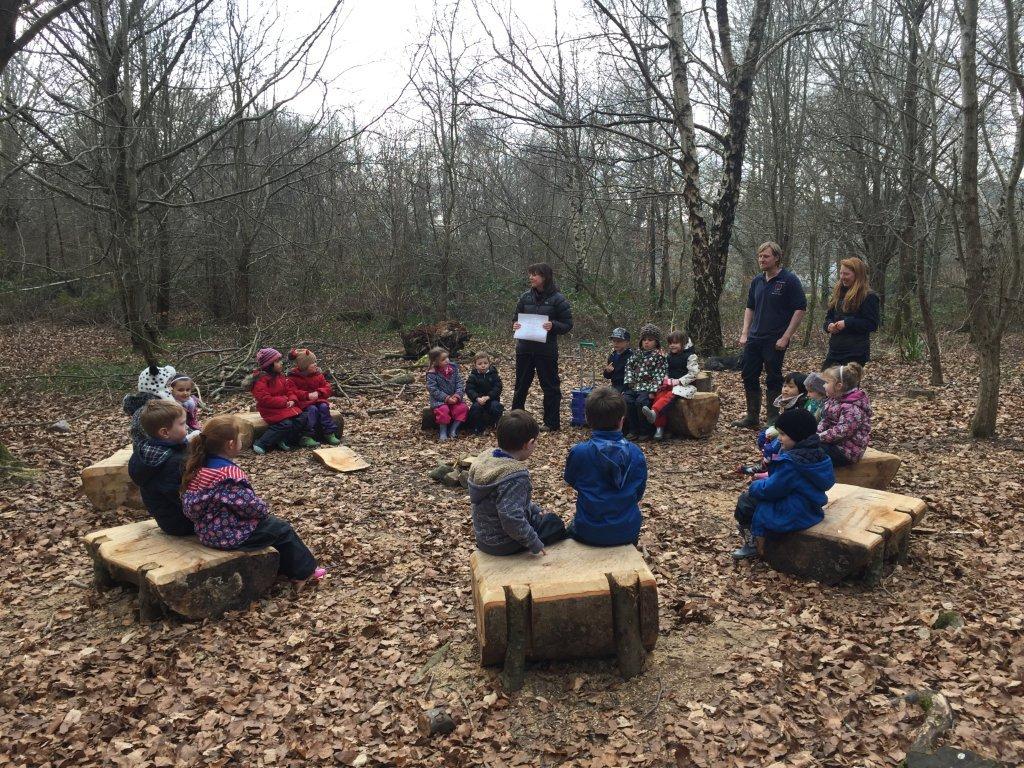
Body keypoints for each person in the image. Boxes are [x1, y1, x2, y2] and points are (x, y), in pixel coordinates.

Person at [181, 415, 325, 583]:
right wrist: (263, 509)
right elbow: (249, 506)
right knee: (280, 529)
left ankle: (284, 566)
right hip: (228, 535)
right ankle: (306, 571)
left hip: (206, 531)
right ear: (231, 444)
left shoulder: (198, 467)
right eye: (240, 438)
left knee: (270, 529)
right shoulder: (228, 475)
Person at [731, 409, 834, 560]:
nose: (779, 439)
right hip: (811, 507)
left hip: (792, 511)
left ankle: (752, 543)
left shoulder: (791, 463)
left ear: (797, 435)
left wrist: (754, 487)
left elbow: (772, 489)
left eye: (783, 434)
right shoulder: (819, 455)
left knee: (745, 502)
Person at [468, 410, 568, 556]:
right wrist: (533, 542)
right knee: (554, 523)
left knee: (540, 516)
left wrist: (534, 509)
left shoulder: (488, 461)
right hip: (503, 543)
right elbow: (511, 518)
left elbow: (506, 501)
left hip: (484, 538)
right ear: (530, 443)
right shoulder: (514, 476)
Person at [733, 242, 807, 429]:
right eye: (759, 256)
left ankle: (773, 418)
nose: (761, 260)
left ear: (776, 258)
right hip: (754, 339)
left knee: (773, 378)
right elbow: (750, 307)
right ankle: (752, 417)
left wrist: (786, 336)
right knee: (748, 375)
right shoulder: (757, 281)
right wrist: (745, 333)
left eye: (766, 256)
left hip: (775, 340)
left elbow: (800, 309)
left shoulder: (789, 280)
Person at [564, 387, 647, 547]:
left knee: (567, 529)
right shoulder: (636, 453)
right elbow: (638, 492)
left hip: (588, 530)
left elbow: (572, 481)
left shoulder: (579, 452)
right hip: (626, 530)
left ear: (588, 419)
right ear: (622, 421)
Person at [511, 262, 574, 431]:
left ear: (545, 277)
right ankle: (515, 420)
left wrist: (553, 325)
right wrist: (515, 325)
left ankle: (552, 423)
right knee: (521, 385)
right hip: (524, 349)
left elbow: (568, 324)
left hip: (546, 351)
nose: (531, 277)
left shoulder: (558, 299)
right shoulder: (525, 297)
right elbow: (515, 319)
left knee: (550, 387)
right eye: (530, 274)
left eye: (535, 274)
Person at [127, 399, 195, 536]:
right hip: (181, 523)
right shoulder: (172, 464)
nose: (187, 426)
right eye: (182, 423)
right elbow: (182, 497)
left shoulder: (145, 451)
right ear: (164, 433)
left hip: (168, 520)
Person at [737, 372, 810, 477]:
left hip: (793, 435)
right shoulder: (787, 401)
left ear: (802, 390)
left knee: (775, 444)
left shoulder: (801, 403)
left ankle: (772, 466)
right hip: (784, 431)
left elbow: (795, 424)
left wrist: (777, 430)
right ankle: (767, 462)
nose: (785, 389)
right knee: (763, 436)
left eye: (791, 387)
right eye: (784, 386)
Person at [641, 330, 700, 440]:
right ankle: (659, 427)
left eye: (676, 343)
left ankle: (654, 412)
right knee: (659, 396)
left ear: (683, 343)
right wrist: (666, 378)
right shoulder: (669, 357)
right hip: (669, 384)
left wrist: (678, 381)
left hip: (684, 387)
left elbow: (694, 373)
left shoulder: (690, 356)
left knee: (669, 397)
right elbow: (665, 370)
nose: (672, 345)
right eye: (670, 343)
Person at [248, 347, 309, 454]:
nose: (281, 363)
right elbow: (264, 399)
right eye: (277, 361)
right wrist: (284, 401)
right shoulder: (261, 380)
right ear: (269, 364)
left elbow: (289, 390)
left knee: (302, 417)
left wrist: (292, 399)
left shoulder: (280, 376)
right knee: (285, 424)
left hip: (285, 407)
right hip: (270, 410)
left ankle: (285, 440)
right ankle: (261, 443)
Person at [823, 257, 880, 367]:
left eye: (846, 274)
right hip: (835, 350)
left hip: (856, 353)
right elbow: (828, 318)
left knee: (847, 385)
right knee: (821, 383)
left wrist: (846, 323)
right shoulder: (838, 294)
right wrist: (828, 326)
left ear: (857, 275)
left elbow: (872, 324)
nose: (842, 277)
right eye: (841, 273)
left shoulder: (869, 296)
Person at [817, 362, 872, 467]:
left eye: (826, 382)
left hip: (847, 451)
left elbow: (842, 431)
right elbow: (826, 420)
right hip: (832, 442)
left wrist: (818, 437)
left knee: (808, 451)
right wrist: (815, 433)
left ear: (838, 386)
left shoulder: (852, 407)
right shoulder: (834, 399)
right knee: (797, 442)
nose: (823, 386)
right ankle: (776, 459)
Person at [622, 324, 668, 440]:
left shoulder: (659, 356)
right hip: (634, 386)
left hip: (647, 388)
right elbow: (628, 368)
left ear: (656, 342)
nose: (646, 342)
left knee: (641, 402)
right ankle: (633, 430)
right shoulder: (636, 354)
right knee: (627, 400)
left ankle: (645, 431)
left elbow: (659, 374)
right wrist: (629, 382)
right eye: (644, 340)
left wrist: (652, 390)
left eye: (650, 340)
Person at [287, 348, 341, 446]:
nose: (315, 364)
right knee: (312, 410)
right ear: (304, 366)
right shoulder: (293, 378)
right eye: (312, 363)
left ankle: (329, 433)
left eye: (315, 362)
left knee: (324, 407)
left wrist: (319, 392)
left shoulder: (318, 375)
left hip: (318, 400)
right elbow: (293, 391)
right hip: (304, 403)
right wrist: (306, 395)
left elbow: (327, 387)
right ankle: (307, 436)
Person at [123, 363, 177, 449]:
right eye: (167, 385)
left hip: (149, 449)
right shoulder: (153, 408)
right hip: (154, 451)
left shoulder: (150, 404)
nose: (170, 389)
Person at [426, 346, 468, 442]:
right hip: (439, 400)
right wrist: (446, 398)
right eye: (443, 359)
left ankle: (453, 429)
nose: (447, 360)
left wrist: (457, 395)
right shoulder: (432, 374)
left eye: (447, 357)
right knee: (443, 410)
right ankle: (443, 431)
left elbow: (459, 383)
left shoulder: (453, 368)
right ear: (436, 362)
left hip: (454, 397)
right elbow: (433, 389)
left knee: (462, 408)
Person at [465, 351, 504, 435]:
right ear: (475, 365)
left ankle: (497, 424)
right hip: (478, 400)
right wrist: (476, 398)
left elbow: (498, 387)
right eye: (480, 364)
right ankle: (477, 427)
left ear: (489, 363)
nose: (483, 365)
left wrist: (489, 396)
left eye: (485, 363)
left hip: (491, 399)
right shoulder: (473, 376)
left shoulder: (493, 374)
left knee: (497, 407)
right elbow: (469, 389)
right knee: (475, 409)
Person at [168, 373, 202, 437]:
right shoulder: (169, 406)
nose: (185, 393)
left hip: (190, 428)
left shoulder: (191, 402)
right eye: (181, 390)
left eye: (188, 390)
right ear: (171, 390)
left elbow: (192, 420)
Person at [602, 328, 633, 393]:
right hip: (615, 386)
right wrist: (608, 371)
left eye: (619, 341)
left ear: (627, 342)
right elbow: (607, 376)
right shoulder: (612, 356)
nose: (616, 343)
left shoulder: (631, 356)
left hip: (628, 388)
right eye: (614, 341)